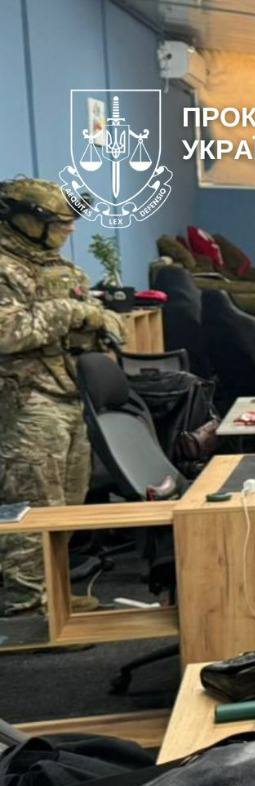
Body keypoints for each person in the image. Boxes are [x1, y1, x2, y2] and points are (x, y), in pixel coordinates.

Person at [0, 177, 122, 617]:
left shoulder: (58, 268)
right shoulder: (5, 267)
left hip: (68, 393)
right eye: (59, 223)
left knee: (67, 506)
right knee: (32, 512)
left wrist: (100, 320)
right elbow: (7, 331)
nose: (68, 231)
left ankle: (55, 600)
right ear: (25, 221)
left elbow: (99, 317)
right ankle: (27, 612)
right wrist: (72, 312)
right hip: (26, 402)